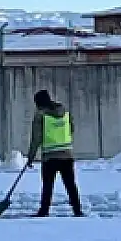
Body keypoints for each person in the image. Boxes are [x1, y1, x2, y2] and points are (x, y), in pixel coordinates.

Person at [26, 89, 82, 217]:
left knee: (47, 186)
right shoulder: (65, 112)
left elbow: (36, 139)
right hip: (67, 155)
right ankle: (77, 210)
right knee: (71, 185)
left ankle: (44, 211)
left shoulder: (40, 116)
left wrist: (30, 157)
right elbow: (71, 129)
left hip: (50, 158)